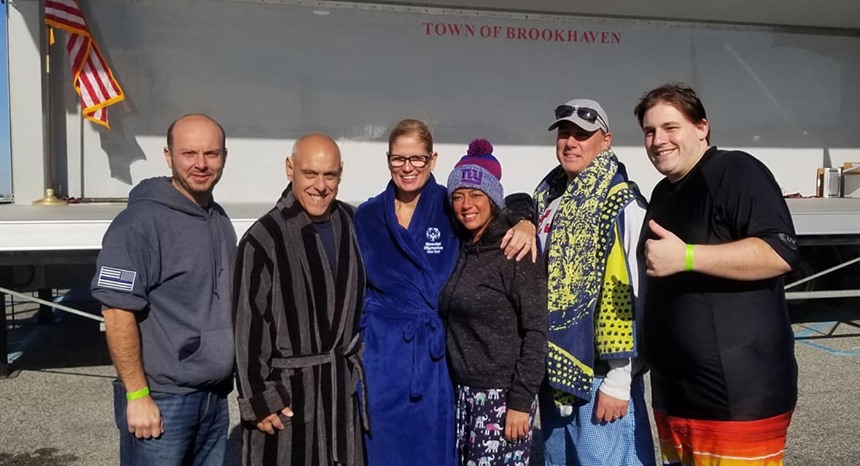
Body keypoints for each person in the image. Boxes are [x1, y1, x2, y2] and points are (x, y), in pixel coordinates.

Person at [354, 119, 537, 466]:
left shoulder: (449, 205)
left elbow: (497, 204)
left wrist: (526, 219)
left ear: (433, 159)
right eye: (398, 159)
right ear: (388, 159)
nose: (407, 168)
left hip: (435, 361)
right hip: (382, 355)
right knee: (383, 451)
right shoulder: (366, 216)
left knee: (432, 450)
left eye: (417, 159)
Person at [634, 84, 799, 466]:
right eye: (649, 131)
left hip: (736, 399)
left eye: (670, 127)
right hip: (675, 397)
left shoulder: (735, 171)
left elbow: (781, 250)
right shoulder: (663, 192)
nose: (659, 140)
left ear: (702, 127)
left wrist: (688, 256)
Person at [93, 113, 235, 466]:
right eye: (189, 153)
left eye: (211, 154)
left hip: (214, 399)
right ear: (169, 156)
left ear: (224, 157)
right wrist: (137, 395)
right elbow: (116, 311)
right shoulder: (138, 225)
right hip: (163, 401)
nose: (201, 164)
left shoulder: (218, 218)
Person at [534, 99, 656, 466]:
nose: (570, 143)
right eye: (564, 134)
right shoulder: (548, 197)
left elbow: (633, 296)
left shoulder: (622, 202)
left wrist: (619, 382)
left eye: (582, 135)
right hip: (555, 372)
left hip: (600, 378)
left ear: (605, 141)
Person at [232, 134, 367, 466]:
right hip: (290, 399)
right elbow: (248, 327)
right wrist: (259, 401)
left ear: (341, 174)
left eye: (330, 175)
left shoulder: (353, 224)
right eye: (310, 173)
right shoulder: (263, 239)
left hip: (342, 394)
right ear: (290, 169)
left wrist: (518, 220)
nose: (320, 185)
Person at [438, 139, 547, 466]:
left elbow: (537, 332)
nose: (466, 204)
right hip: (463, 395)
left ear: (492, 199)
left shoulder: (515, 251)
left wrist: (520, 402)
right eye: (457, 196)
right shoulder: (461, 247)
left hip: (501, 399)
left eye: (476, 195)